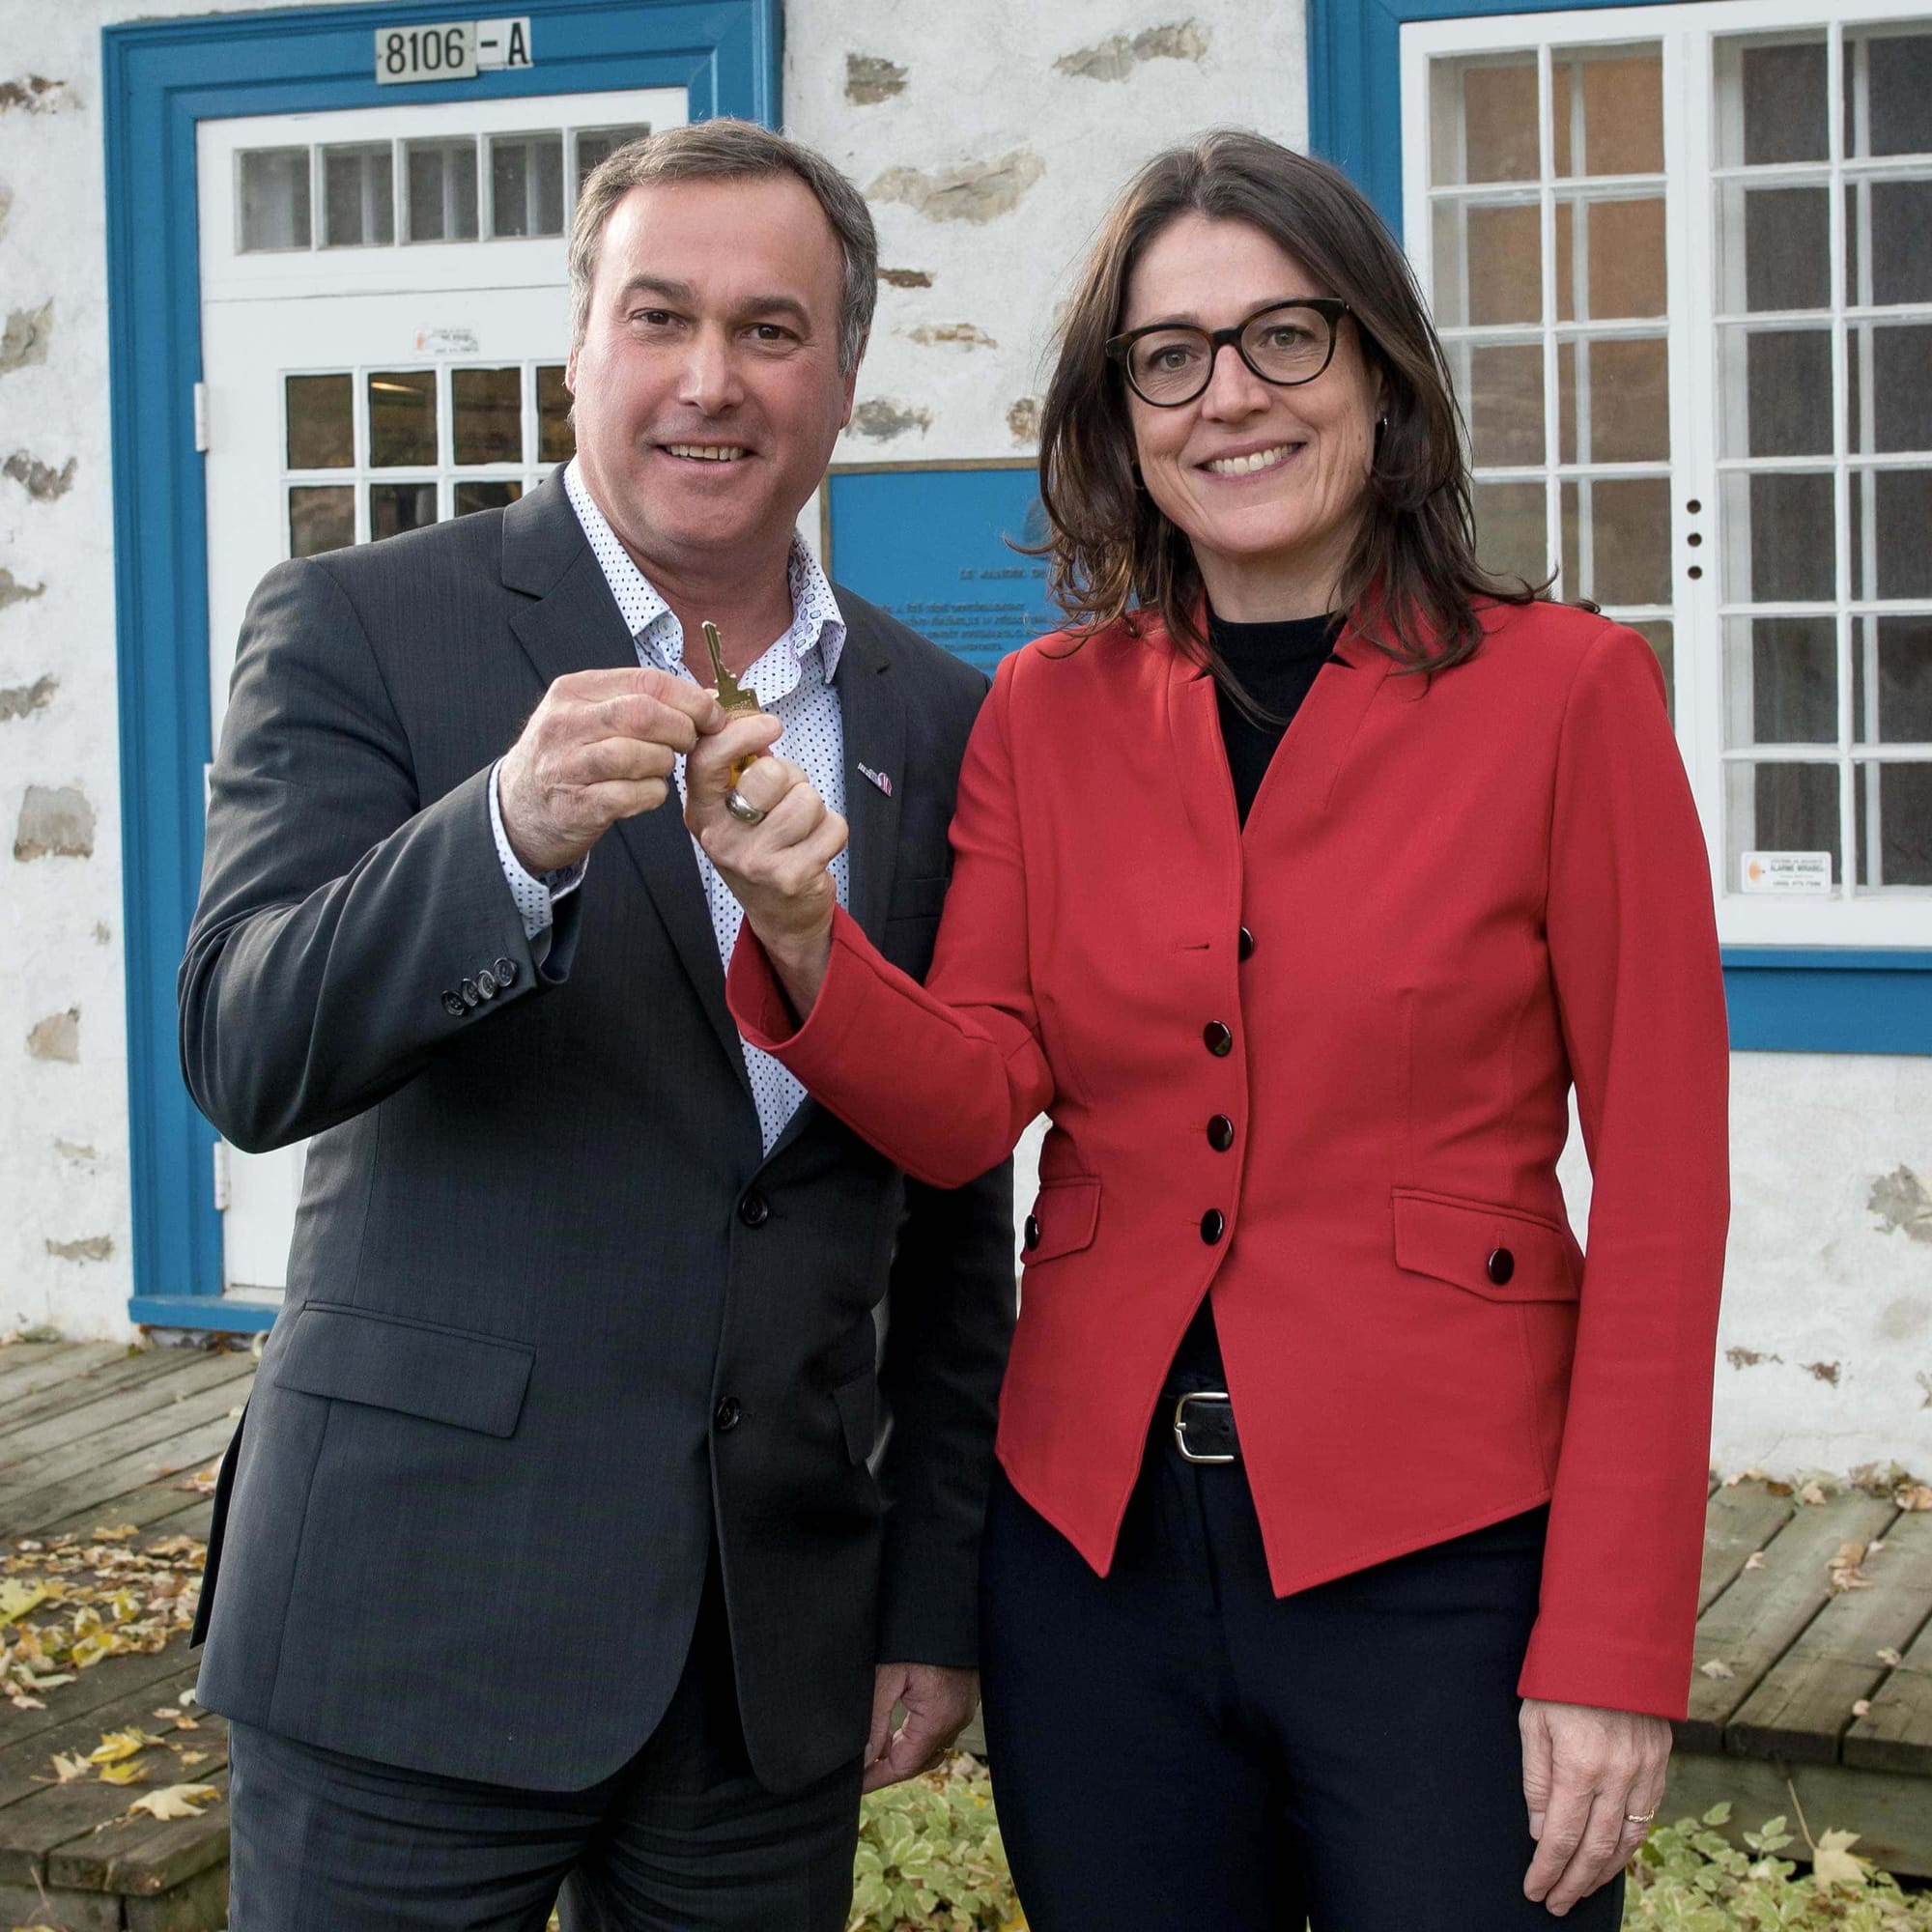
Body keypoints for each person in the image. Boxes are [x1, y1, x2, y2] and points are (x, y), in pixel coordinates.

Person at [687, 131, 1730, 1929]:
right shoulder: (1045, 710)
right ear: (1122, 415)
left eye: (1283, 340)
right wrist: (803, 933)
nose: (1227, 397)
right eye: (1170, 357)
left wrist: (1616, 1643)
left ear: (1384, 377)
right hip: (1095, 1574)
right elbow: (970, 1105)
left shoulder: (1570, 692)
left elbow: (1664, 1200)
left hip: (1446, 1563)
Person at [179, 120, 1013, 1932]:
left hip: (764, 1659)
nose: (710, 381)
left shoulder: (938, 719)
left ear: (845, 376)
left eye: (772, 330)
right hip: (413, 1621)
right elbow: (244, 1051)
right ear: (581, 346)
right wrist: (503, 836)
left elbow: (955, 1194)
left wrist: (930, 1598)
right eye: (660, 316)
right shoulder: (362, 624)